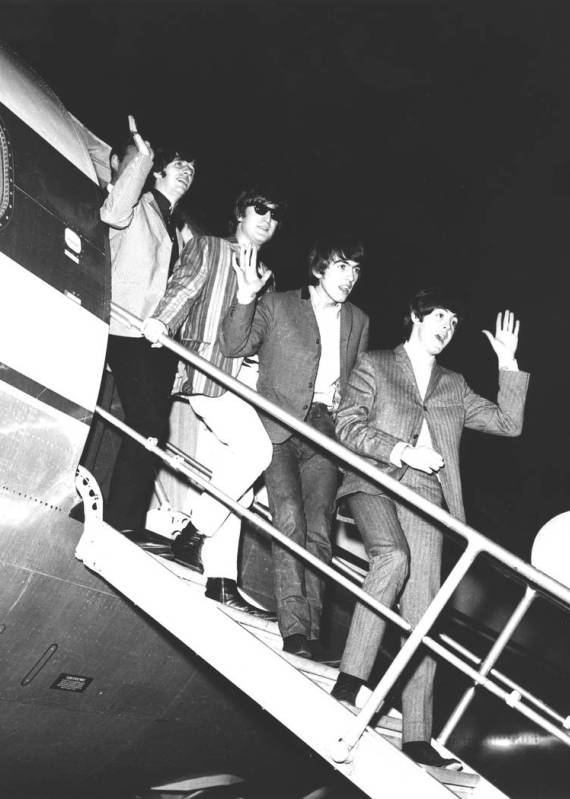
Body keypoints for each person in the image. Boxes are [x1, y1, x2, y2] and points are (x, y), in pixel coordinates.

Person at [330, 288, 530, 769]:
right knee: (392, 559)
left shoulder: (455, 385)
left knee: (424, 611)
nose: (447, 326)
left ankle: (417, 735)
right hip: (376, 481)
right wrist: (401, 450)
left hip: (428, 498)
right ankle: (351, 678)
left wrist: (508, 363)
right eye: (440, 315)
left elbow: (508, 424)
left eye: (455, 320)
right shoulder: (376, 363)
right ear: (417, 317)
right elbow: (347, 424)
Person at [221, 237, 369, 659]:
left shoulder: (359, 320)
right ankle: (295, 630)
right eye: (342, 267)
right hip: (278, 423)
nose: (350, 278)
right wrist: (246, 296)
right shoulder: (281, 304)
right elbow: (235, 345)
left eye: (356, 272)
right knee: (289, 522)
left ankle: (314, 631)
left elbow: (356, 380)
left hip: (325, 428)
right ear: (320, 269)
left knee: (320, 531)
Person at [142, 188, 285, 619]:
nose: (266, 218)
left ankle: (221, 579)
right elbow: (185, 287)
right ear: (240, 213)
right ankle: (192, 531)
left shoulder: (267, 274)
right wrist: (161, 321)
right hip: (206, 371)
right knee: (257, 452)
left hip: (243, 382)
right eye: (260, 209)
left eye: (275, 215)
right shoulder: (211, 248)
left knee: (233, 476)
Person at [101, 116, 196, 547]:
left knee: (152, 431)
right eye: (180, 164)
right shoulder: (136, 206)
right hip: (126, 327)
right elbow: (112, 211)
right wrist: (142, 155)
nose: (188, 170)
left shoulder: (181, 227)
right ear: (157, 170)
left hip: (159, 341)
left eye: (192, 168)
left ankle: (125, 518)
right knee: (149, 422)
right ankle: (122, 521)